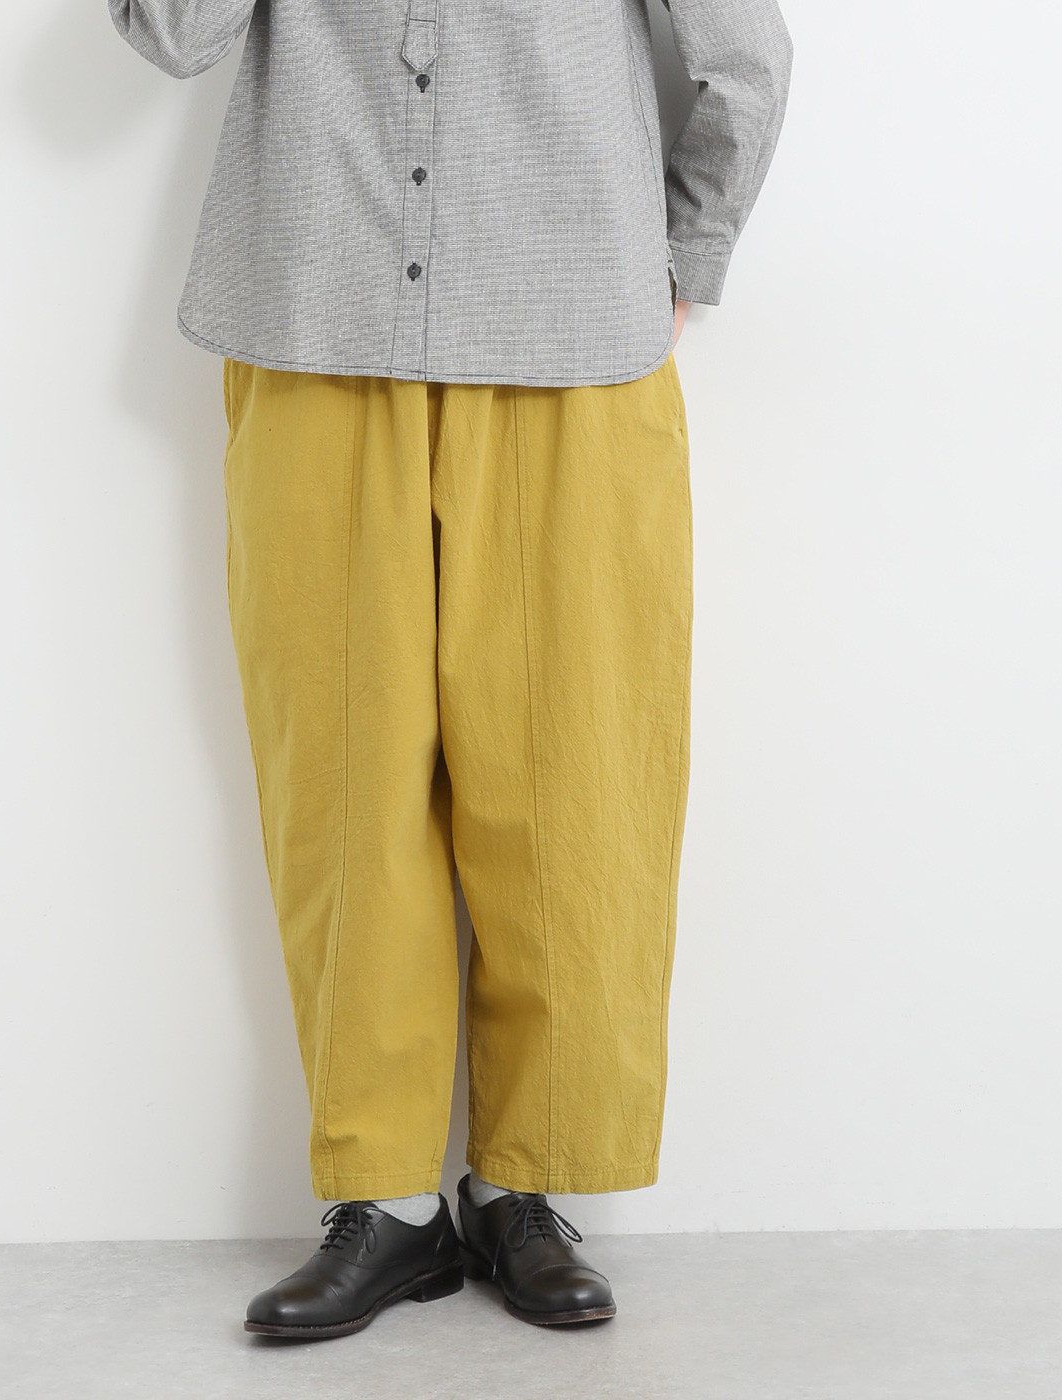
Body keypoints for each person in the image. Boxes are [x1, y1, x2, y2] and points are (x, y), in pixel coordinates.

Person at [107, 0, 792, 1339]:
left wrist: (683, 255)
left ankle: (526, 1187)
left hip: (569, 341)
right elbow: (170, 34)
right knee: (342, 787)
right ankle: (385, 1205)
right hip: (316, 321)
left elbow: (746, 57)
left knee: (575, 784)